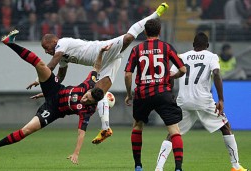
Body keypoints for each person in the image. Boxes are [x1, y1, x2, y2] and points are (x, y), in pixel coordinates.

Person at [26, 3, 169, 144]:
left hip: (103, 49)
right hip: (105, 63)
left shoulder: (62, 44)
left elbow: (51, 64)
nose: (46, 51)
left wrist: (39, 79)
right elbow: (60, 76)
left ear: (54, 41)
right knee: (98, 93)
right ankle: (106, 129)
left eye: (46, 47)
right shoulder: (62, 57)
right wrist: (48, 91)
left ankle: (156, 14)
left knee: (128, 38)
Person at [0, 30, 108, 165]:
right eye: (87, 97)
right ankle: (10, 43)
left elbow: (81, 133)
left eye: (89, 101)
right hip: (55, 89)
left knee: (26, 131)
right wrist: (101, 52)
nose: (85, 100)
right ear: (89, 90)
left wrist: (76, 153)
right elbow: (97, 67)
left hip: (53, 110)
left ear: (94, 103)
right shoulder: (90, 83)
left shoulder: (88, 110)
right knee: (40, 65)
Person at [154, 32, 249, 171]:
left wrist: (169, 94)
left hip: (184, 101)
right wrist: (221, 99)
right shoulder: (212, 56)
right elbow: (216, 73)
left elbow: (170, 75)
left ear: (193, 45)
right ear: (208, 46)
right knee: (226, 127)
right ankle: (235, 166)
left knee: (173, 132)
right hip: (203, 101)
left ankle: (159, 167)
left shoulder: (182, 56)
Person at [124, 19, 187, 171]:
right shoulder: (166, 47)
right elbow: (183, 69)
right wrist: (173, 76)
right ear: (159, 32)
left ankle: (138, 166)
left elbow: (127, 74)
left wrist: (129, 94)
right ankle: (178, 168)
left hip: (142, 93)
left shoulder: (136, 49)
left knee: (138, 126)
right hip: (162, 92)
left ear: (145, 32)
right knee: (174, 130)